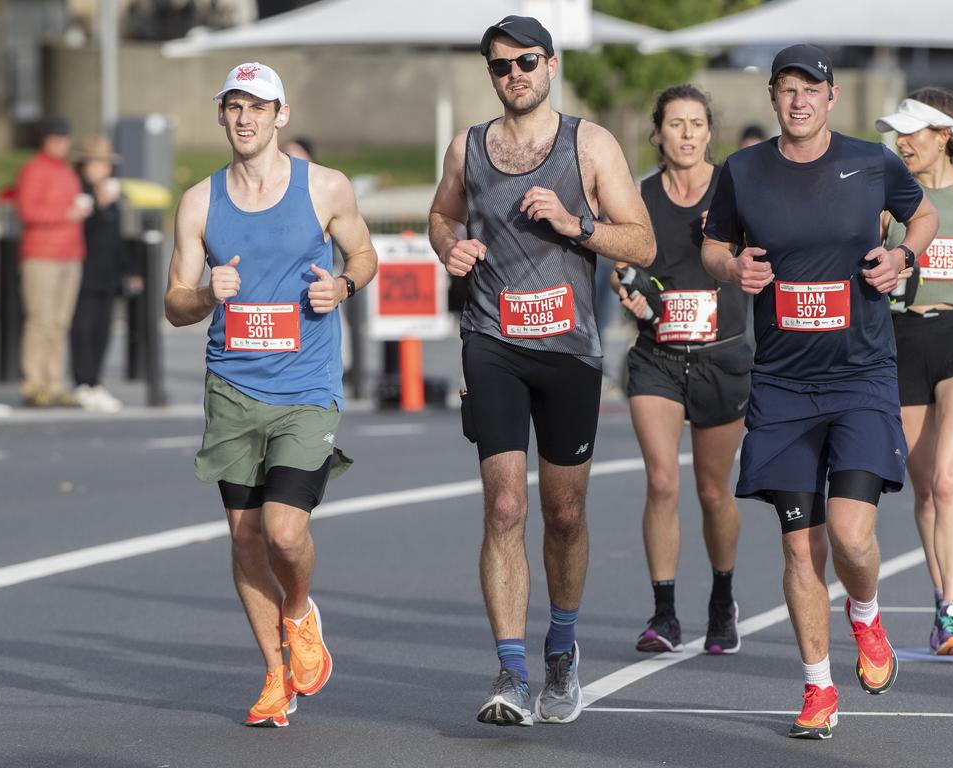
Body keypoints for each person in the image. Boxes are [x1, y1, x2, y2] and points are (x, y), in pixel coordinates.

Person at [701, 44, 938, 739]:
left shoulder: (872, 161)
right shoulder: (743, 171)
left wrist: (902, 256)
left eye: (811, 89)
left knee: (850, 534)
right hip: (780, 382)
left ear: (831, 97)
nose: (798, 100)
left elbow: (920, 215)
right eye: (786, 89)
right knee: (800, 550)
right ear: (772, 97)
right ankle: (816, 689)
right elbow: (714, 245)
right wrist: (731, 266)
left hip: (861, 374)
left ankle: (864, 617)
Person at [429, 16, 655, 726]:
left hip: (569, 349)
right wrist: (449, 250)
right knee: (504, 506)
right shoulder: (467, 147)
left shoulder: (589, 144)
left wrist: (576, 224)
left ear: (551, 65)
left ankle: (561, 649)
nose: (514, 76)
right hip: (491, 338)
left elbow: (643, 243)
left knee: (563, 513)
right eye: (500, 66)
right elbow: (442, 216)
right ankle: (510, 670)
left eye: (526, 62)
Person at [164, 62, 377, 728]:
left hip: (305, 387)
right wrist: (205, 295)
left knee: (285, 531)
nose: (246, 118)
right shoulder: (200, 201)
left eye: (258, 107)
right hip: (232, 387)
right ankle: (274, 675)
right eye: (234, 107)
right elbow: (175, 302)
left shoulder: (324, 188)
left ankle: (299, 611)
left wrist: (341, 287)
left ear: (280, 115)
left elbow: (365, 255)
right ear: (222, 115)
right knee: (244, 537)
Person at [616, 85, 750, 657]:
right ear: (658, 134)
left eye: (698, 123)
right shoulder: (639, 197)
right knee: (663, 481)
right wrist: (634, 291)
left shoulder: (736, 190)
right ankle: (664, 613)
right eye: (677, 124)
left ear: (709, 133)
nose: (688, 133)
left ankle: (722, 598)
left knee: (714, 491)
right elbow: (621, 261)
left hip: (723, 357)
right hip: (658, 357)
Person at [876, 88, 953, 656]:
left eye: (912, 132)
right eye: (897, 133)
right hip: (903, 338)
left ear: (944, 135)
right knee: (921, 487)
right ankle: (942, 603)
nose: (901, 142)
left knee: (947, 478)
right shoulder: (890, 204)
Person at [15, 115, 92, 407]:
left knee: (60, 322)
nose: (61, 143)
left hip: (70, 255)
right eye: (56, 137)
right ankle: (33, 384)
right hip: (40, 256)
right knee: (40, 321)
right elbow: (27, 211)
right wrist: (66, 215)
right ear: (45, 139)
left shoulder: (67, 173)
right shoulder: (33, 170)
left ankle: (54, 381)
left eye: (64, 137)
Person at [70, 135, 137, 413]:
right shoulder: (80, 193)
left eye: (105, 164)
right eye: (95, 163)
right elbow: (83, 232)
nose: (101, 169)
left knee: (103, 330)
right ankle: (82, 382)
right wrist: (97, 205)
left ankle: (95, 381)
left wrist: (131, 271)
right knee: (82, 330)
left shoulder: (115, 198)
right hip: (83, 273)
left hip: (108, 276)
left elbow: (118, 240)